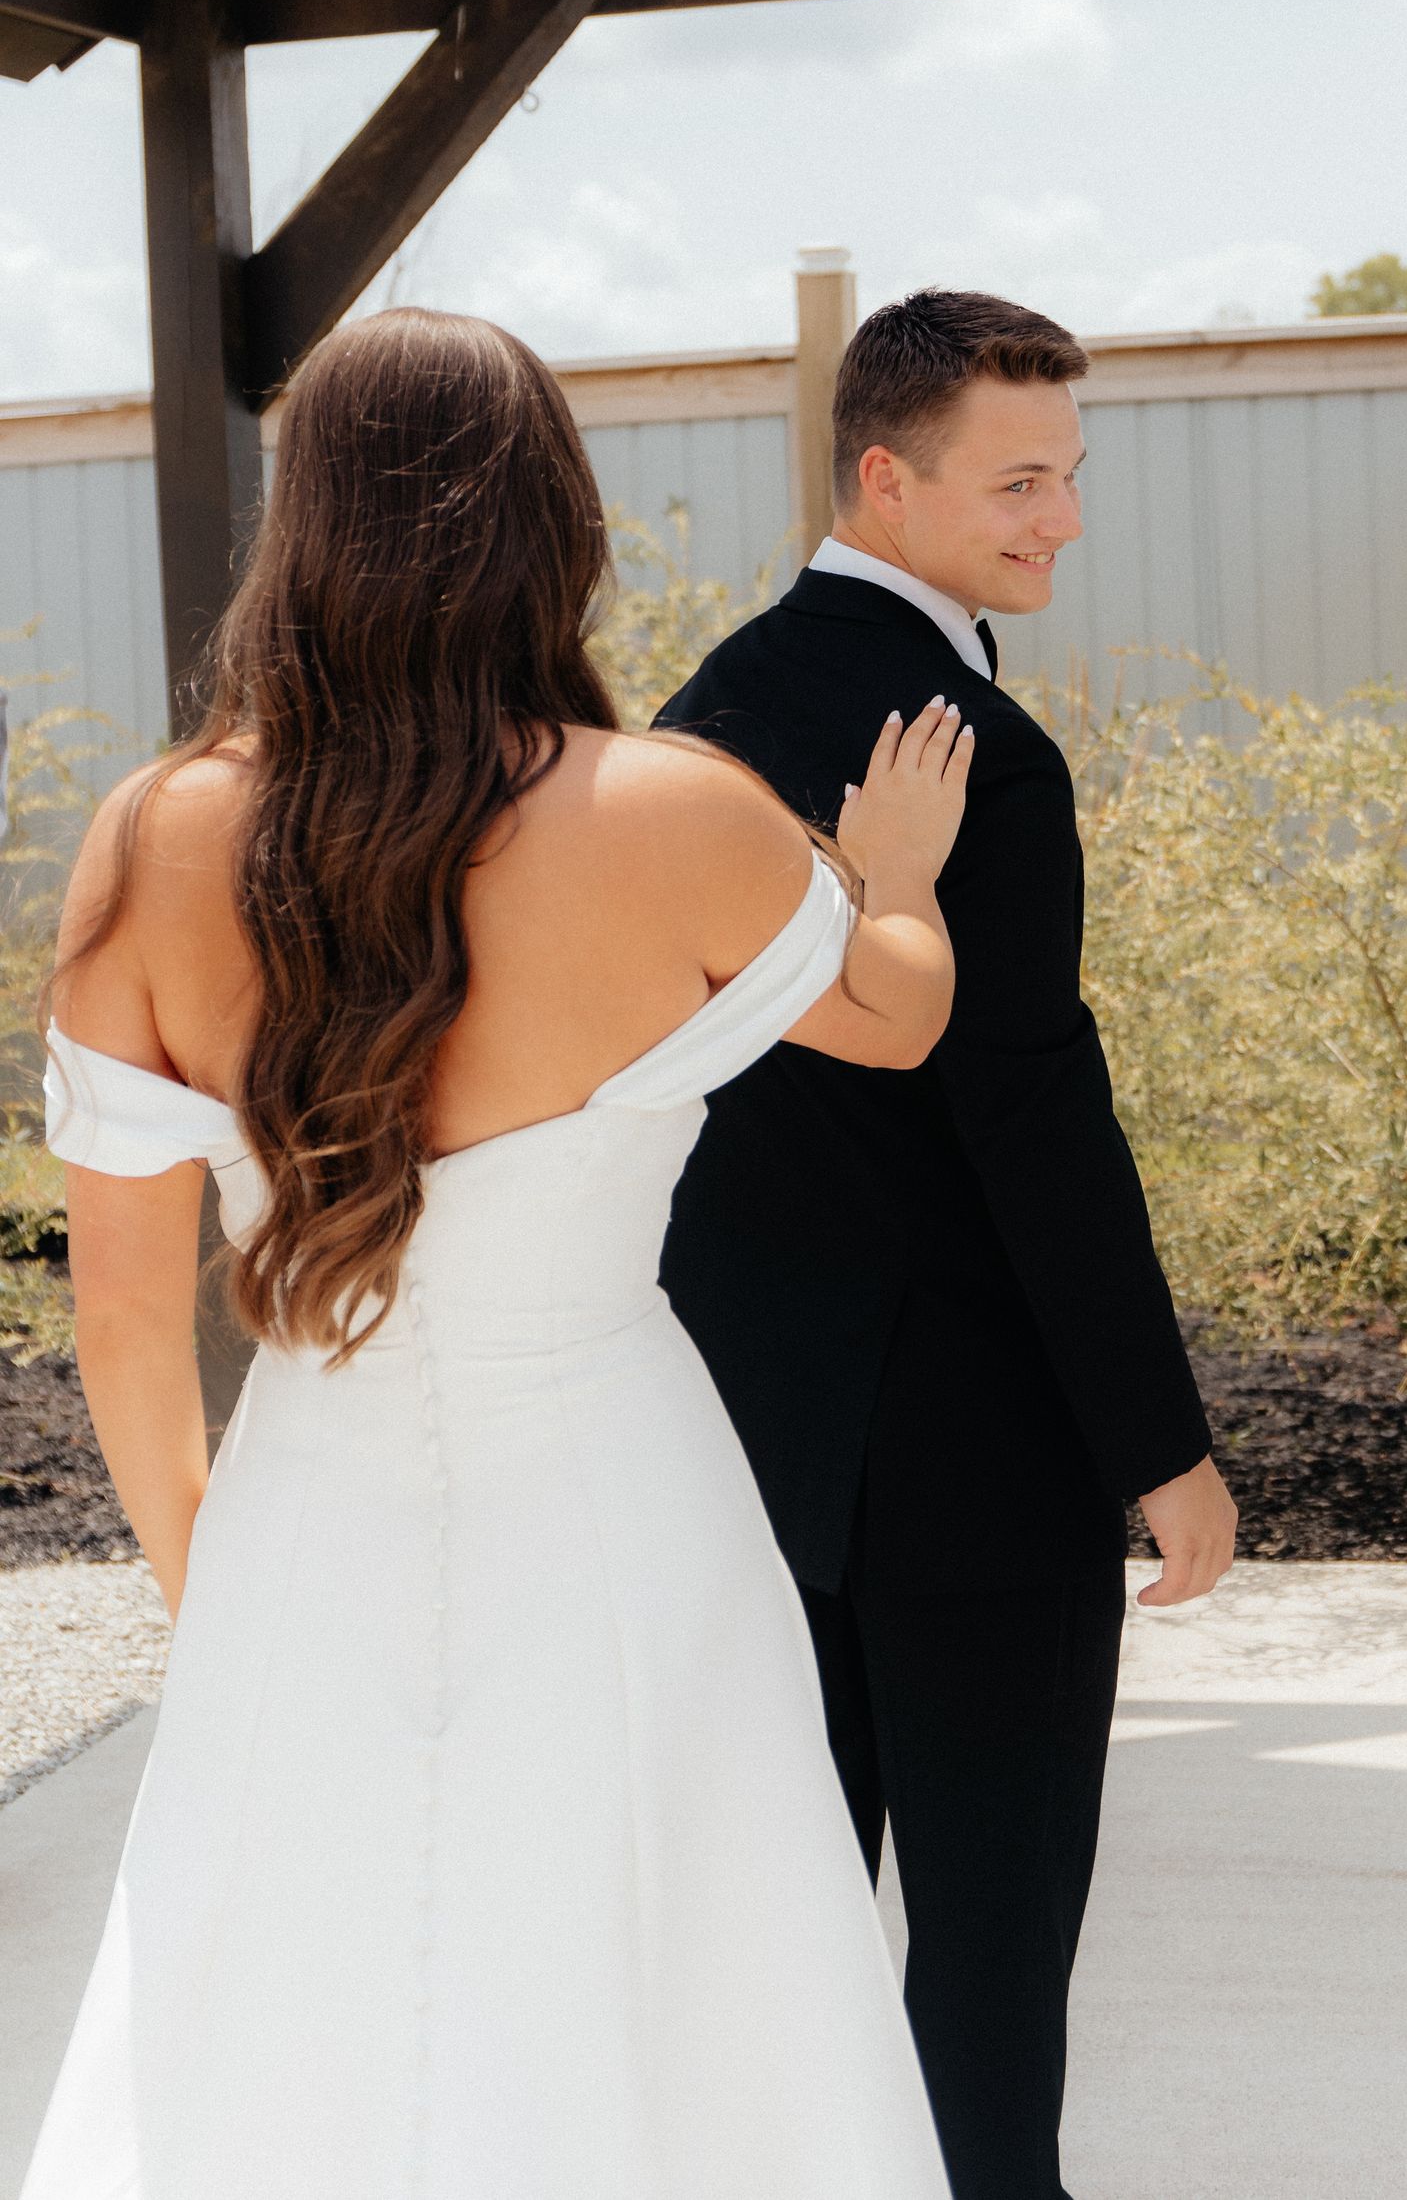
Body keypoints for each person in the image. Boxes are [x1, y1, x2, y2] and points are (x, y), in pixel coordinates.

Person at [26, 306, 970, 2200]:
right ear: (557, 521)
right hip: (624, 1495)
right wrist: (905, 879)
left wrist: (224, 1586)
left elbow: (123, 1309)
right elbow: (899, 1018)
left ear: (304, 529)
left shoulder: (151, 839)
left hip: (313, 1504)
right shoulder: (678, 809)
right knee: (679, 1986)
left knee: (295, 1993)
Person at [657, 288, 1237, 2200]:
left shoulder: (689, 726)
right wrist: (1163, 1447)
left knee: (782, 1957)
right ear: (886, 480)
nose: (1062, 515)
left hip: (745, 1453)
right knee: (987, 1971)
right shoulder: (980, 747)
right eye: (1019, 479)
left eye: (1071, 473)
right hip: (980, 1464)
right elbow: (1033, 1122)